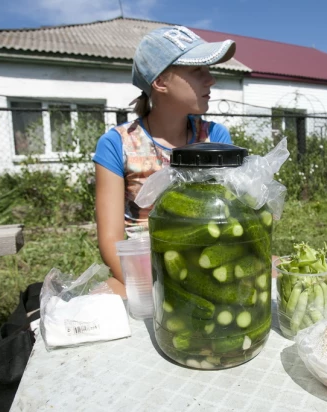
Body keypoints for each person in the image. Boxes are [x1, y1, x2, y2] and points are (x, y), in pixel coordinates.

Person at [92, 26, 237, 295]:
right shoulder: (116, 144)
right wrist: (154, 292)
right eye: (198, 71)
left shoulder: (215, 137)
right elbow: (111, 242)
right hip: (145, 268)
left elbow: (229, 215)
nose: (211, 80)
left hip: (207, 259)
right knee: (104, 297)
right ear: (160, 82)